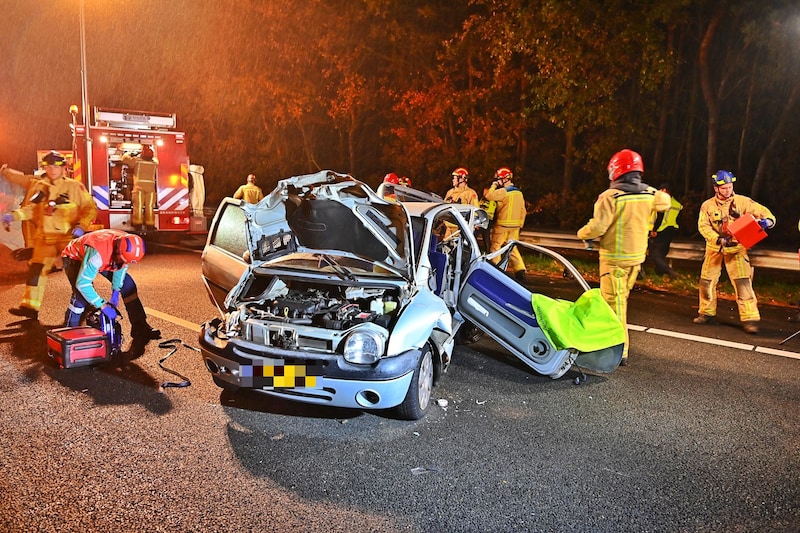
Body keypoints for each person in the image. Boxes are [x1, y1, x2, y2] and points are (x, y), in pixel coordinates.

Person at [577, 149, 670, 366]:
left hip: (614, 260)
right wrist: (647, 188)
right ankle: (606, 341)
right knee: (621, 300)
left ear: (615, 170)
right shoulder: (649, 194)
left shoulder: (610, 197)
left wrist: (582, 234)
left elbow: (598, 227)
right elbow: (665, 201)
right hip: (636, 259)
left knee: (614, 304)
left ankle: (618, 349)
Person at [1, 151, 97, 321]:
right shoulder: (40, 186)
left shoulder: (74, 187)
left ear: (63, 168)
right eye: (48, 166)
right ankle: (30, 307)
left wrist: (82, 226)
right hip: (45, 239)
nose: (52, 169)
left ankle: (88, 305)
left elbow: (90, 208)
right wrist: (13, 215)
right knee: (36, 271)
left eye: (56, 166)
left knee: (75, 274)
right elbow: (32, 209)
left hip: (66, 238)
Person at [693, 170, 775, 334]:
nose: (727, 190)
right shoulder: (707, 206)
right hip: (715, 248)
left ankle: (750, 319)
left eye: (729, 187)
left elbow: (768, 215)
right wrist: (717, 239)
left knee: (743, 283)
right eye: (724, 188)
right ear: (716, 188)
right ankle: (707, 313)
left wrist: (767, 222)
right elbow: (703, 227)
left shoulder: (743, 202)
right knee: (707, 282)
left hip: (737, 249)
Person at [62, 229, 161, 358]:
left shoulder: (126, 245)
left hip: (106, 257)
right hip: (74, 257)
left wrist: (115, 292)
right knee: (80, 297)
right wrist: (102, 305)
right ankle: (69, 335)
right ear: (117, 251)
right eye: (120, 259)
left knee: (128, 285)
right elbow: (83, 284)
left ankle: (140, 327)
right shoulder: (97, 255)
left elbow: (120, 269)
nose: (122, 263)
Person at [484, 167, 527, 281]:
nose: (498, 181)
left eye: (499, 179)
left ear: (503, 179)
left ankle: (497, 271)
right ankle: (520, 270)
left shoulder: (504, 192)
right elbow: (523, 210)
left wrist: (493, 185)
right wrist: (520, 224)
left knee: (496, 248)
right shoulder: (518, 193)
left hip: (502, 225)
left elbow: (489, 196)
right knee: (512, 248)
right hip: (515, 226)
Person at [647, 182, 683, 277]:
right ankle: (660, 274)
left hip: (661, 230)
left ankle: (668, 271)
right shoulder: (677, 204)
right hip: (671, 231)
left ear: (665, 191)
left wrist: (654, 230)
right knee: (662, 252)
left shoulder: (662, 202)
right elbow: (680, 219)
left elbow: (660, 217)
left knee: (654, 254)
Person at [121, 145, 158, 233]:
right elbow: (156, 159)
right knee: (149, 207)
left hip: (139, 188)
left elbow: (124, 159)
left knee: (138, 206)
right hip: (151, 188)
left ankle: (138, 225)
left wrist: (128, 152)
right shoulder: (154, 163)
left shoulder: (137, 161)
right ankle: (150, 225)